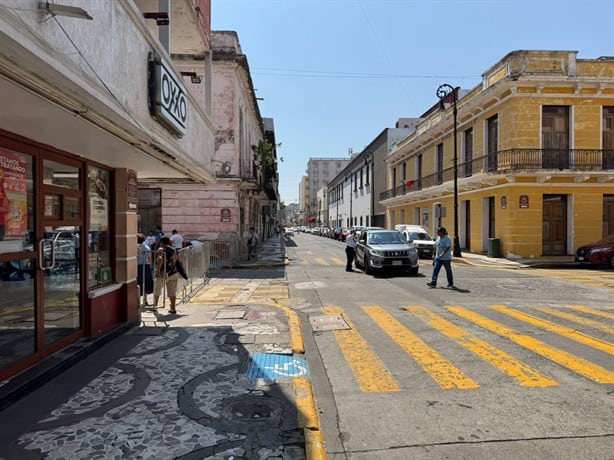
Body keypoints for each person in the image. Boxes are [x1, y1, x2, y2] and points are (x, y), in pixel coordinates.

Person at [153, 236, 179, 314]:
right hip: (173, 272)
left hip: (163, 273)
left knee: (157, 289)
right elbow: (176, 259)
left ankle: (155, 306)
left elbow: (160, 259)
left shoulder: (161, 249)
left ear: (161, 242)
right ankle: (173, 308)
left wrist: (158, 271)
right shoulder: (173, 249)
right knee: (172, 291)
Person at [137, 235, 154, 305]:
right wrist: (151, 266)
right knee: (146, 282)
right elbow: (150, 258)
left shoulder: (136, 248)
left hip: (138, 266)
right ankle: (145, 300)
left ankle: (138, 300)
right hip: (146, 266)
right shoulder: (147, 247)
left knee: (139, 282)